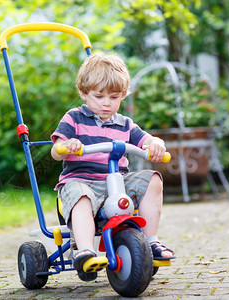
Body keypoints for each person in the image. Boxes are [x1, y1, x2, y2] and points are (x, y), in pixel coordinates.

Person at [50, 53, 175, 282]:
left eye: (114, 97)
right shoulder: (74, 118)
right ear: (83, 93)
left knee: (153, 179)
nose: (106, 103)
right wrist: (66, 146)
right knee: (81, 196)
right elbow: (55, 150)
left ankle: (150, 240)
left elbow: (147, 140)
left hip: (117, 183)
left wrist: (156, 144)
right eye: (98, 96)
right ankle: (86, 251)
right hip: (81, 181)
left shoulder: (125, 124)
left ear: (123, 95)